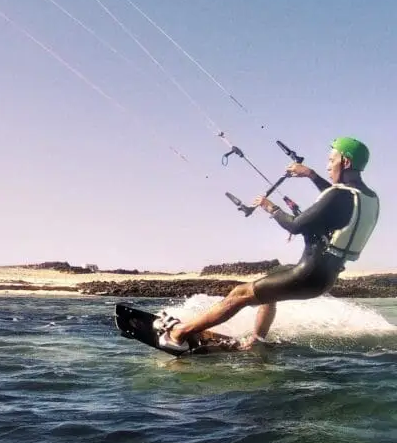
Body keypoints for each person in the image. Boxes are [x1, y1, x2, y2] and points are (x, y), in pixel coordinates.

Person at [156, 136, 380, 354]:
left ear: (346, 162)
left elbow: (294, 225)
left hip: (308, 274)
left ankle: (177, 335)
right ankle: (258, 339)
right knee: (271, 277)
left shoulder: (339, 195)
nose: (328, 165)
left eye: (331, 160)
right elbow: (338, 199)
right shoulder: (367, 197)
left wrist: (269, 207)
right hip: (325, 276)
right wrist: (311, 174)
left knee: (239, 294)